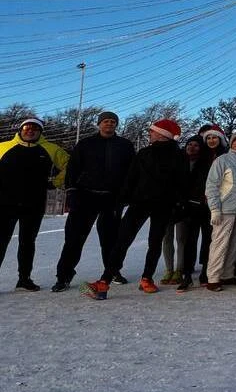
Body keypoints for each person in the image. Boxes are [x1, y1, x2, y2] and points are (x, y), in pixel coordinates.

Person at [80, 119, 186, 300]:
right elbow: (131, 177)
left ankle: (147, 277)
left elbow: (181, 183)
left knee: (154, 241)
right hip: (140, 202)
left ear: (161, 134)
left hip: (163, 204)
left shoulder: (177, 155)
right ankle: (105, 281)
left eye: (152, 132)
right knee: (123, 239)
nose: (149, 134)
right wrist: (122, 200)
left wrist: (177, 205)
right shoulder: (144, 153)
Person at [53, 111, 134, 292]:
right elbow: (73, 169)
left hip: (111, 198)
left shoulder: (125, 145)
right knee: (74, 238)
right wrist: (72, 191)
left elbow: (131, 172)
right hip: (85, 196)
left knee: (111, 239)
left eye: (113, 122)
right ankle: (63, 276)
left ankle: (112, 272)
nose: (109, 124)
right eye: (106, 121)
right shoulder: (85, 144)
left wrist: (126, 194)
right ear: (99, 124)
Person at [0, 118, 69, 291]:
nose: (30, 131)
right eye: (27, 127)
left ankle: (24, 279)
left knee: (27, 242)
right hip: (5, 203)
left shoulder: (51, 149)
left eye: (35, 128)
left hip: (34, 203)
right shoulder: (3, 147)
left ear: (40, 132)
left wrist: (56, 182)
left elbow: (70, 165)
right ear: (20, 130)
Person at [202, 131, 236, 292]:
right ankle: (213, 277)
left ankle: (227, 274)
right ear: (231, 143)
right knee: (220, 243)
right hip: (225, 209)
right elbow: (212, 186)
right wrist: (215, 209)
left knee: (233, 243)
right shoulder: (222, 160)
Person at [176, 135, 212, 291]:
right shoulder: (180, 163)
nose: (192, 147)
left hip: (204, 206)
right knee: (189, 240)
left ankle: (205, 271)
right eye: (189, 144)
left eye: (196, 145)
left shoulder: (207, 164)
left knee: (207, 239)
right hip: (187, 206)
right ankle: (187, 274)